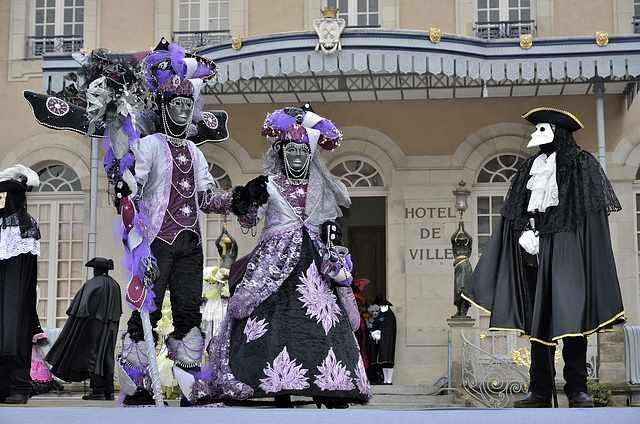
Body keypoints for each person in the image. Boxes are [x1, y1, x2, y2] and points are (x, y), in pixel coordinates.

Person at [113, 40, 267, 407]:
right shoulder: (148, 145)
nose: (182, 111)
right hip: (156, 243)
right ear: (164, 108)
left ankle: (189, 392)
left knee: (188, 316)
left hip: (191, 244)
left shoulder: (197, 153)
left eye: (187, 104)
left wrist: (240, 196)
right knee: (144, 316)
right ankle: (139, 389)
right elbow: (130, 199)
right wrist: (125, 186)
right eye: (176, 104)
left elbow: (204, 201)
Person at [208, 106, 372, 409]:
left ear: (309, 155)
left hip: (315, 259)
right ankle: (272, 386)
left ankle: (329, 387)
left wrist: (332, 250)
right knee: (270, 316)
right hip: (273, 261)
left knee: (323, 319)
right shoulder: (267, 184)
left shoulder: (321, 185)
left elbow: (328, 219)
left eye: (302, 151)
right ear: (281, 153)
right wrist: (247, 198)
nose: (297, 156)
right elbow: (242, 215)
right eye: (291, 151)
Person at [462, 107, 625, 408]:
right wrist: (525, 232)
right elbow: (519, 208)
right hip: (533, 250)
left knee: (570, 316)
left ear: (556, 131)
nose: (535, 136)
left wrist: (560, 239)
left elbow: (587, 213)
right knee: (538, 320)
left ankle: (577, 389)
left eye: (541, 129)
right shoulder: (529, 167)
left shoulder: (580, 164)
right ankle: (539, 390)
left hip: (567, 251)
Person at [45, 257, 122, 400]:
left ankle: (98, 391)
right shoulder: (115, 285)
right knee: (107, 356)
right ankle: (108, 391)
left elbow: (80, 309)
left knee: (94, 356)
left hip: (93, 326)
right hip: (111, 327)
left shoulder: (92, 284)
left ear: (96, 270)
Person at [0, 165, 40, 404]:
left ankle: (19, 386)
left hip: (15, 291)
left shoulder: (25, 225)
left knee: (12, 331)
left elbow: (25, 271)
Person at [370, 295, 396, 385]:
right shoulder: (379, 317)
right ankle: (385, 379)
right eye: (381, 306)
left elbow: (391, 329)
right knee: (382, 361)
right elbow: (375, 325)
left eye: (385, 306)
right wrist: (374, 332)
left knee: (388, 360)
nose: (383, 308)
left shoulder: (390, 317)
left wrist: (381, 333)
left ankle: (389, 380)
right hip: (380, 342)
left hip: (388, 341)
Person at [451, 220, 472, 317]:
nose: (462, 241)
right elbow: (452, 238)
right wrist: (459, 229)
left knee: (464, 289)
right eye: (460, 240)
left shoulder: (468, 248)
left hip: (466, 268)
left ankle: (464, 310)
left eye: (463, 240)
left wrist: (464, 230)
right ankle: (459, 310)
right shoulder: (456, 248)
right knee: (458, 290)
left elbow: (471, 238)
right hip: (459, 268)